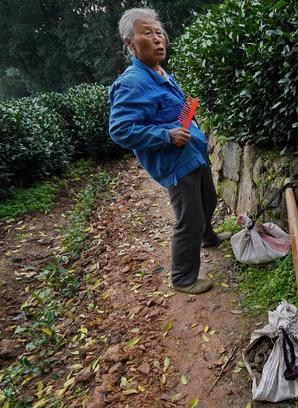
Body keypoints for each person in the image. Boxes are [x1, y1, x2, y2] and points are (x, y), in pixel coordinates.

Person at [109, 8, 228, 294]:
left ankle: (207, 237)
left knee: (208, 201)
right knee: (190, 217)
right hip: (174, 162)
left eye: (159, 32)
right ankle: (183, 278)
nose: (157, 39)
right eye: (147, 33)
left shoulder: (159, 72)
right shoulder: (132, 83)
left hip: (192, 154)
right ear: (130, 43)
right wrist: (165, 135)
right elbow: (120, 130)